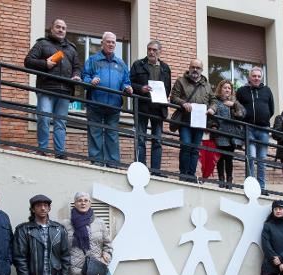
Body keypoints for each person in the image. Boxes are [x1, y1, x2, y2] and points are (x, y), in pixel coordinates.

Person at [24, 19, 81, 157]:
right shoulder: (42, 43)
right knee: (44, 118)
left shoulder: (71, 49)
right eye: (58, 27)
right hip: (46, 90)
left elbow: (77, 68)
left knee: (60, 123)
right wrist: (45, 64)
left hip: (65, 91)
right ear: (52, 29)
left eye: (63, 28)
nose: (61, 30)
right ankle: (42, 149)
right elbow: (28, 61)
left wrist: (76, 76)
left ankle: (59, 152)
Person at [82, 32, 133, 167]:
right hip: (95, 104)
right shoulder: (93, 60)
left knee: (112, 135)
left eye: (113, 42)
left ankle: (113, 164)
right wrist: (90, 81)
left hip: (114, 106)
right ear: (102, 43)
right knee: (95, 133)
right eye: (108, 41)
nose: (111, 44)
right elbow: (85, 77)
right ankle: (97, 163)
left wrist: (127, 87)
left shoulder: (121, 63)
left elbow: (125, 81)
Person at [170, 59, 217, 182]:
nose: (195, 70)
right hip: (185, 121)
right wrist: (183, 103)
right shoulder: (181, 81)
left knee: (195, 149)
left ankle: (191, 175)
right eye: (193, 67)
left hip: (200, 122)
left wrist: (212, 108)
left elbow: (213, 100)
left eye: (198, 68)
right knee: (186, 146)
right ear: (189, 68)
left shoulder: (206, 85)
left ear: (201, 70)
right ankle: (183, 174)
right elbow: (173, 97)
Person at [130, 40, 171, 171]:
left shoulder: (165, 67)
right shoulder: (138, 65)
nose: (151, 52)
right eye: (149, 49)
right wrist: (141, 88)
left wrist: (161, 97)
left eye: (154, 50)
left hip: (158, 109)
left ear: (160, 51)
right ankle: (140, 169)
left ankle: (155, 171)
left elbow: (168, 88)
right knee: (141, 139)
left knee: (157, 141)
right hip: (142, 107)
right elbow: (129, 83)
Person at [235, 67, 274, 194]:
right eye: (254, 76)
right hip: (248, 128)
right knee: (251, 157)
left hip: (263, 128)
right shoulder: (241, 91)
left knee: (262, 159)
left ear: (261, 77)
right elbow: (237, 108)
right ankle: (251, 185)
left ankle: (261, 187)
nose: (256, 78)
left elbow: (271, 109)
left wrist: (264, 118)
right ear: (249, 77)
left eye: (258, 76)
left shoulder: (267, 90)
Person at [209, 79, 245, 189]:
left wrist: (234, 105)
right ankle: (221, 180)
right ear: (220, 89)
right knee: (219, 158)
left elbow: (242, 114)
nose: (227, 90)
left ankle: (229, 181)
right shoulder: (216, 101)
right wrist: (213, 126)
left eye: (229, 88)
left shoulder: (235, 101)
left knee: (229, 159)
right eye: (225, 88)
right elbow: (211, 116)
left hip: (231, 135)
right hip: (220, 133)